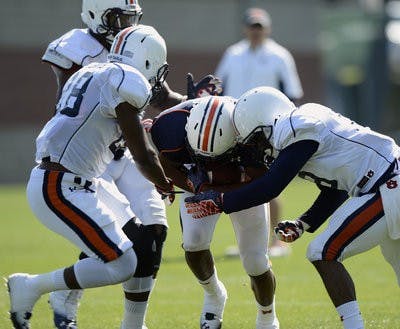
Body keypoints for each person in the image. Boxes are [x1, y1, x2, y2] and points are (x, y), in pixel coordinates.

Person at [41, 1, 221, 328]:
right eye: (119, 17)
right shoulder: (75, 47)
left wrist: (197, 102)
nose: (125, 23)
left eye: (131, 17)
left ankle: (133, 324)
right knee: (119, 230)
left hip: (128, 152)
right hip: (96, 158)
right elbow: (67, 103)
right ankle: (66, 294)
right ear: (96, 13)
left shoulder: (135, 43)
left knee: (153, 232)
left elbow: (161, 97)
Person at [185, 86, 400, 329]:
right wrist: (303, 223)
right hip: (385, 182)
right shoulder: (306, 125)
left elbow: (271, 186)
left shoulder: (297, 125)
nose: (257, 147)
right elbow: (338, 186)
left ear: (265, 123)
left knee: (322, 252)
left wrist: (221, 202)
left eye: (255, 139)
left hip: (389, 184)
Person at [6, 25, 178, 329]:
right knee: (123, 263)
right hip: (60, 186)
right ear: (148, 61)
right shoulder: (128, 81)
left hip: (82, 181)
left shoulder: (96, 72)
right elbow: (144, 155)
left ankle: (132, 326)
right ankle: (33, 286)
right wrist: (163, 181)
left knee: (143, 241)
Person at [149, 96, 279, 329]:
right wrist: (197, 187)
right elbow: (167, 163)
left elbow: (264, 185)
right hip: (197, 178)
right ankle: (214, 295)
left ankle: (267, 317)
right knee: (193, 243)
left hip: (243, 182)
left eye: (216, 156)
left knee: (256, 261)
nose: (209, 160)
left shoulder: (252, 132)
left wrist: (220, 196)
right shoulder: (170, 127)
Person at [215, 7, 304, 257]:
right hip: (235, 127)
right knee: (240, 181)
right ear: (246, 29)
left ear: (267, 29)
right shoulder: (233, 54)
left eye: (260, 27)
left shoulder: (279, 56)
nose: (256, 31)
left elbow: (293, 93)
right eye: (252, 27)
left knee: (270, 181)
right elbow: (219, 88)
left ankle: (278, 242)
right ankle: (249, 245)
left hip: (269, 128)